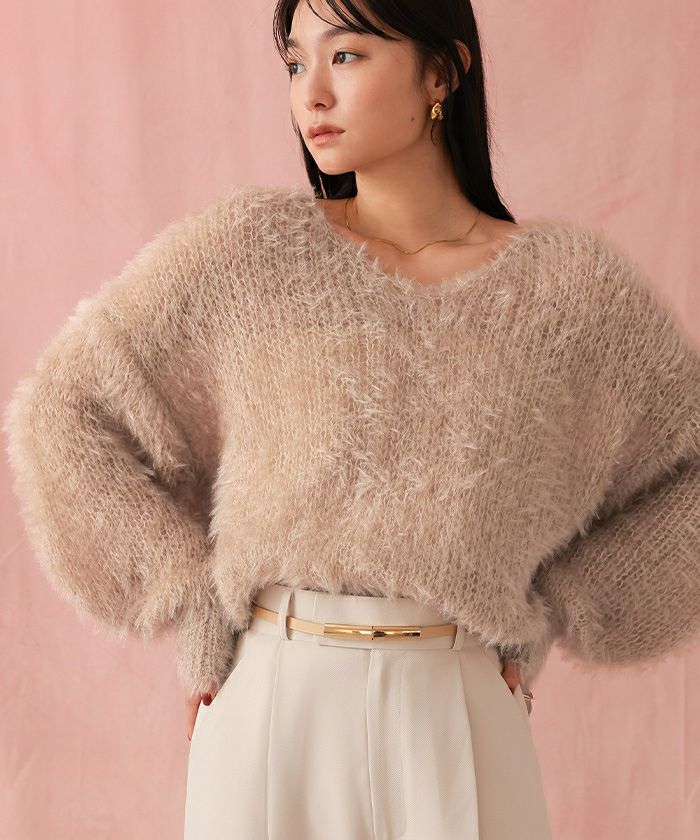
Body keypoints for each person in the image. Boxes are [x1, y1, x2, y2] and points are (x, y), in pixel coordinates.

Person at [4, 0, 699, 837]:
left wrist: (563, 606)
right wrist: (186, 596)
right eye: (296, 63)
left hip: (459, 706)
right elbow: (62, 409)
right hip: (274, 705)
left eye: (347, 56)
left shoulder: (574, 296)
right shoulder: (249, 253)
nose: (312, 95)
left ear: (442, 72)